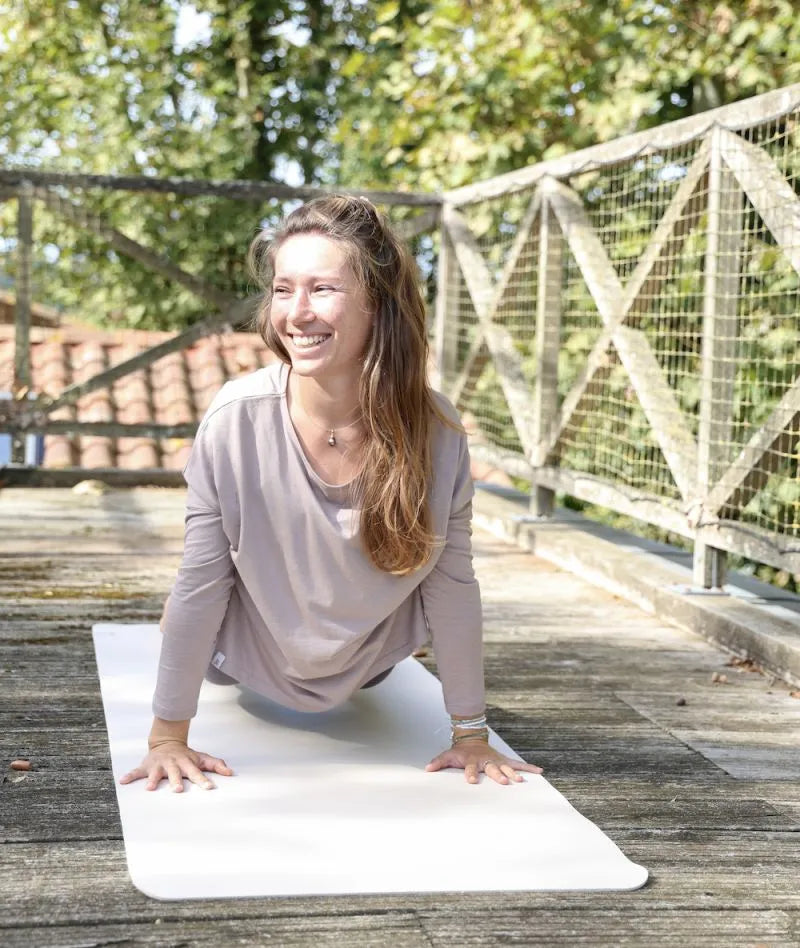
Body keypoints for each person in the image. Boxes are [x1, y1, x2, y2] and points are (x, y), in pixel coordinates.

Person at [120, 195, 543, 793]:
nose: (297, 312)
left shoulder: (437, 433)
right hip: (238, 652)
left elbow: (452, 584)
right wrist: (167, 737)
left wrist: (471, 734)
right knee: (191, 610)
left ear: (376, 303)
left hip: (365, 665)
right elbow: (201, 580)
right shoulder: (235, 419)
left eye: (322, 289)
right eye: (283, 289)